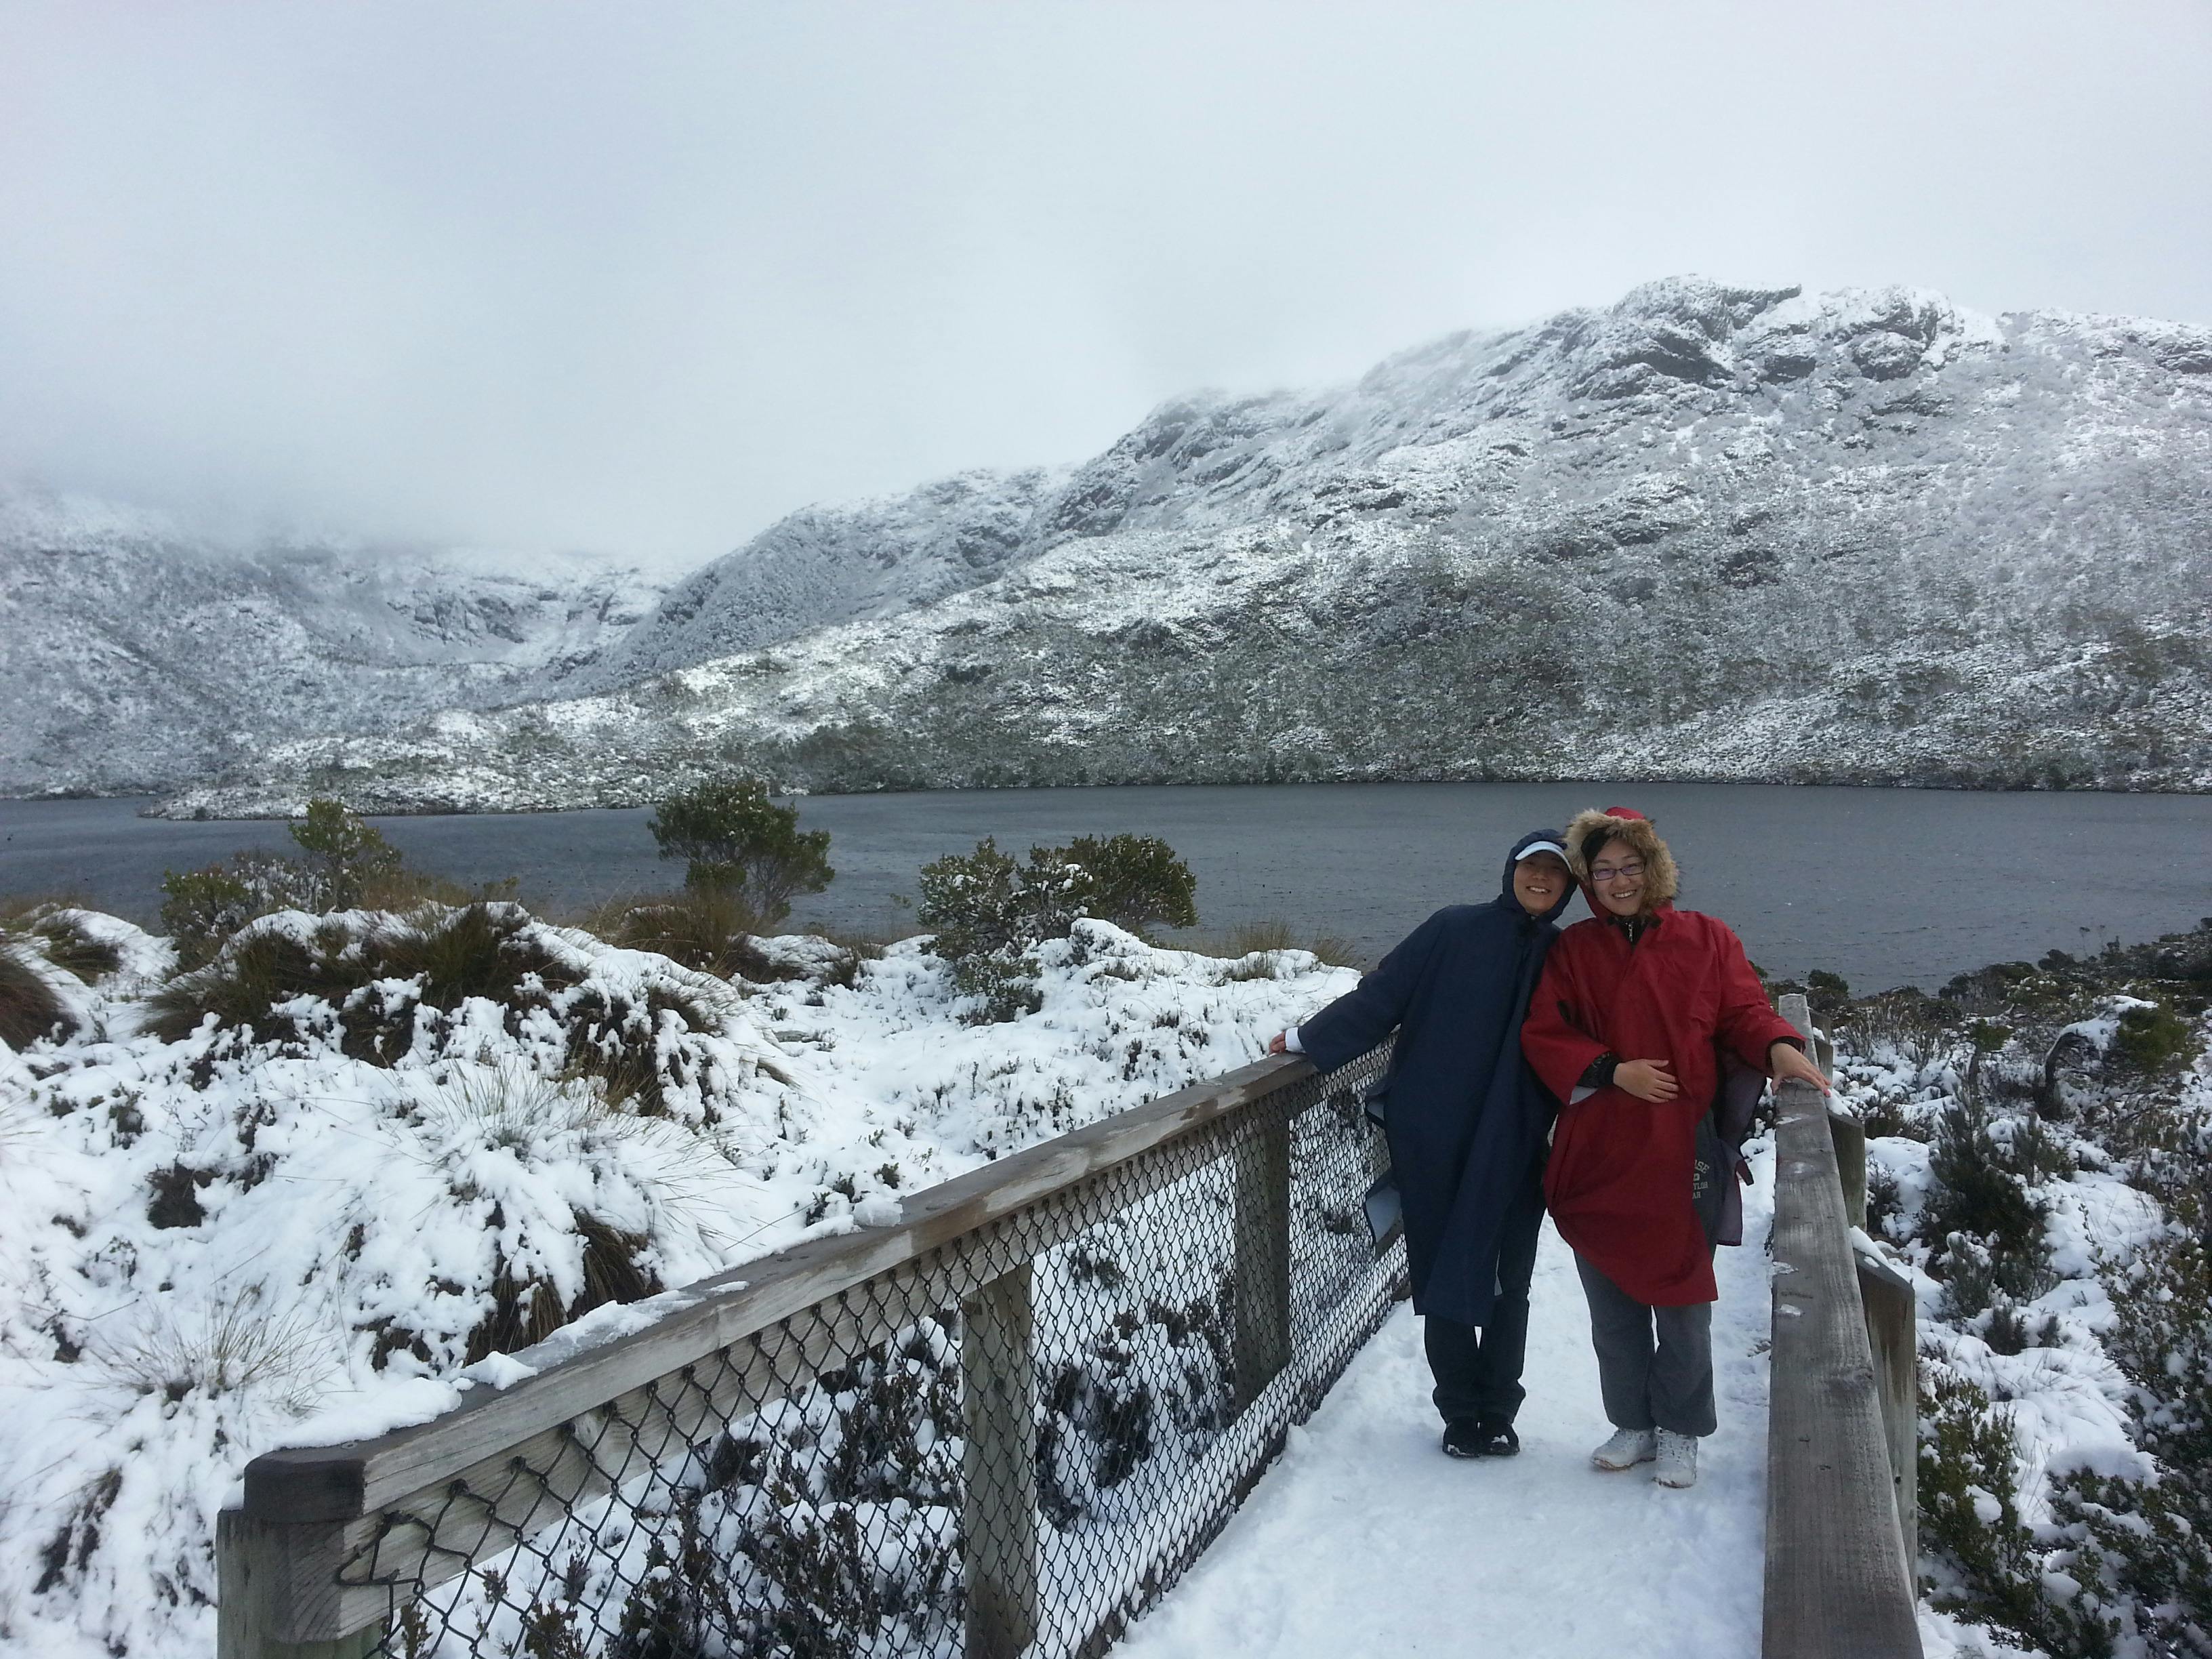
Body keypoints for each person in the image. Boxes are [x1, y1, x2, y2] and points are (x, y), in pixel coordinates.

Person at [1521, 806, 1830, 1491]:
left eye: (1630, 867)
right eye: (1603, 871)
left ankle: (1681, 1428)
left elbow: (1743, 1010)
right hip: (1599, 1145)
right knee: (1612, 1304)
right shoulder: (1573, 953)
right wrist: (1610, 1070)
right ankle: (1632, 1420)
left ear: (1653, 869)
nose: (1619, 881)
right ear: (1588, 880)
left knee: (1683, 1299)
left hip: (1678, 1146)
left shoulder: (1708, 939)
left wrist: (1778, 1044)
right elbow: (1544, 1031)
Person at [1266, 831, 1575, 1458]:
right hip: (1437, 1132)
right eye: (1530, 867)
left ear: (1569, 887)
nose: (1540, 879)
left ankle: (1500, 1408)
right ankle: (1461, 1413)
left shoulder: (1567, 955)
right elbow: (1385, 994)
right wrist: (1308, 1039)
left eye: (1555, 872)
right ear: (1510, 870)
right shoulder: (1452, 929)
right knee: (1442, 1272)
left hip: (1519, 1141)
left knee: (1510, 1279)